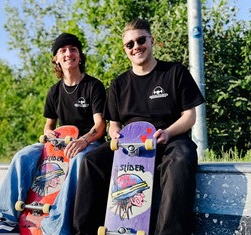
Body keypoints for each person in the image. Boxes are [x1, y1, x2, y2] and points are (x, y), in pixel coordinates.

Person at [72, 19, 205, 235]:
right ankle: (85, 231)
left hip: (168, 139)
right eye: (130, 44)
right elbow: (113, 126)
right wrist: (116, 134)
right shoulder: (119, 84)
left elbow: (190, 116)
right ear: (125, 49)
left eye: (141, 40)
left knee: (180, 159)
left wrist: (168, 132)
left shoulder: (174, 72)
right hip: (130, 146)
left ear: (152, 41)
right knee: (91, 161)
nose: (136, 47)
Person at [0, 33, 107, 234]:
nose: (68, 54)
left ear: (80, 56)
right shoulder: (54, 92)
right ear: (56, 58)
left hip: (87, 144)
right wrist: (50, 136)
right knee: (24, 155)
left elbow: (100, 126)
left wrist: (82, 141)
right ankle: (6, 219)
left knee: (79, 159)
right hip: (60, 145)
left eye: (73, 49)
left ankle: (56, 226)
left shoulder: (93, 86)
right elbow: (48, 126)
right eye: (62, 50)